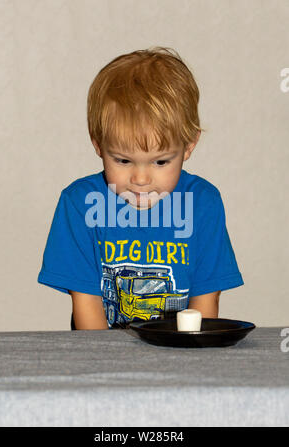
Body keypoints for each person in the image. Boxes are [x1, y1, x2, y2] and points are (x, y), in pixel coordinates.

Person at [37, 46, 244, 330]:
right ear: (98, 143)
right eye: (123, 160)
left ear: (189, 146)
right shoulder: (80, 203)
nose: (141, 179)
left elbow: (205, 305)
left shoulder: (202, 204)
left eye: (160, 162)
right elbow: (86, 307)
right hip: (102, 359)